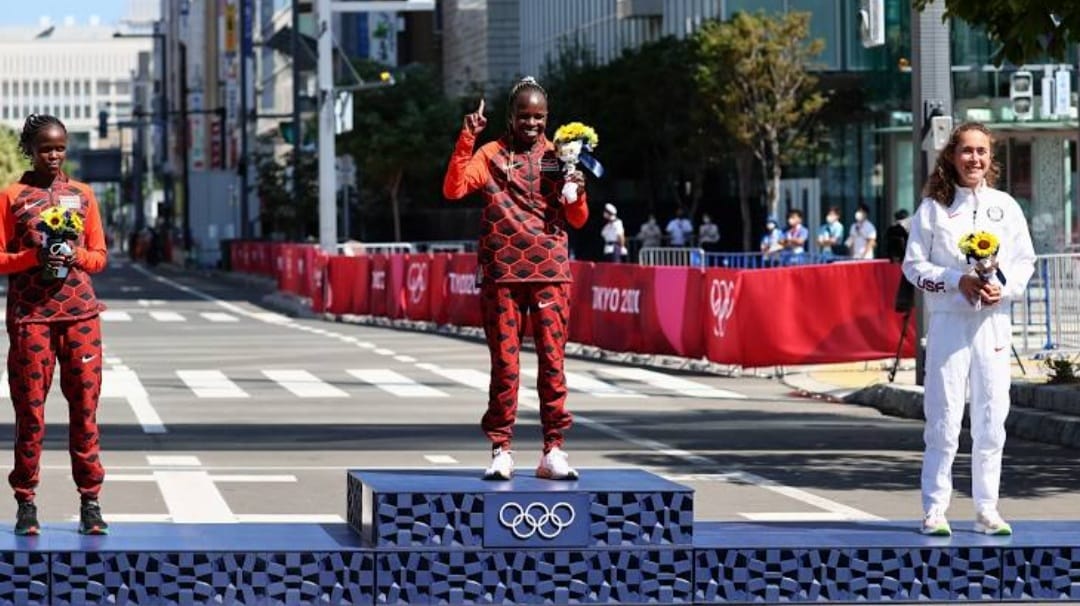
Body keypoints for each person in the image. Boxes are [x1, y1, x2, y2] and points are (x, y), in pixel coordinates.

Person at [443, 78, 588, 481]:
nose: (532, 123)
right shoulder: (490, 154)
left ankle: (553, 451)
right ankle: (501, 449)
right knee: (505, 366)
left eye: (539, 116)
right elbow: (454, 188)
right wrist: (468, 137)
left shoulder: (559, 158)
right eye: (524, 115)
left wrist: (577, 191)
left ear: (548, 117)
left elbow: (578, 219)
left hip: (550, 273)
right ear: (510, 116)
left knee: (553, 364)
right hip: (501, 274)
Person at [902, 122, 1035, 537]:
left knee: (992, 419)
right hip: (949, 323)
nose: (974, 158)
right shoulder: (933, 209)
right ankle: (934, 508)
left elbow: (1024, 262)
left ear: (990, 157)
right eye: (966, 150)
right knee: (943, 418)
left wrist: (1003, 289)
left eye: (981, 151)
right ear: (952, 156)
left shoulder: (1005, 207)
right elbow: (913, 266)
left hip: (993, 325)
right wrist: (954, 280)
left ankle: (986, 509)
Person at [0, 114, 109, 535]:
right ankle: (26, 501)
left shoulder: (82, 195)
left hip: (81, 317)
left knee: (85, 412)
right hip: (31, 319)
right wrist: (34, 258)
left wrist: (75, 256)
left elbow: (99, 257)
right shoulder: (11, 197)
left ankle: (91, 501)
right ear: (30, 150)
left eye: (60, 147)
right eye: (45, 148)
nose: (53, 155)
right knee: (30, 413)